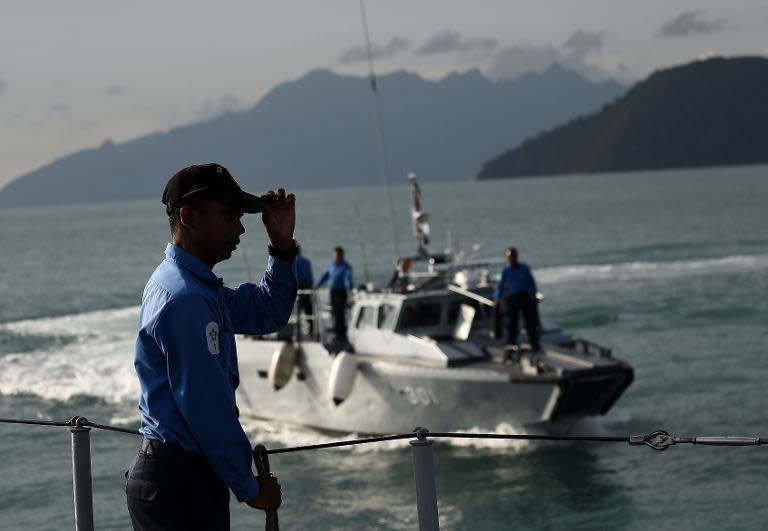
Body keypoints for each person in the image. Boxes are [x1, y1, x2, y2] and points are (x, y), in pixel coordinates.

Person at [126, 163, 297, 530]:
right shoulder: (185, 299)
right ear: (188, 216)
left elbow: (267, 312)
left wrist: (281, 247)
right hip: (178, 483)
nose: (240, 228)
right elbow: (206, 407)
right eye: (229, 215)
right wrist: (251, 487)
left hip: (180, 479)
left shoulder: (198, 289)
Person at [493, 246, 541, 351]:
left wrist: (533, 294)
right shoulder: (504, 271)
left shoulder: (524, 268)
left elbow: (531, 282)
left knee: (530, 321)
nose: (512, 258)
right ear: (507, 258)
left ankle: (534, 342)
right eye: (510, 256)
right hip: (511, 298)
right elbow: (499, 286)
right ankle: (511, 343)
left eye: (513, 256)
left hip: (524, 296)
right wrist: (497, 299)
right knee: (512, 321)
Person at [316, 246, 353, 341]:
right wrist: (317, 285)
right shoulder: (331, 266)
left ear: (342, 255)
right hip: (333, 291)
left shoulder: (346, 267)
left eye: (338, 255)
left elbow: (347, 279)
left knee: (339, 313)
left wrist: (349, 289)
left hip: (341, 292)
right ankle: (337, 332)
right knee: (334, 312)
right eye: (335, 255)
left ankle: (340, 334)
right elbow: (324, 276)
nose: (336, 257)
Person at [294, 246, 314, 335]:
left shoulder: (291, 261)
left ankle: (296, 329)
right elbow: (309, 277)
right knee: (308, 309)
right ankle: (311, 329)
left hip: (296, 287)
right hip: (306, 288)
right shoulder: (306, 262)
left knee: (296, 309)